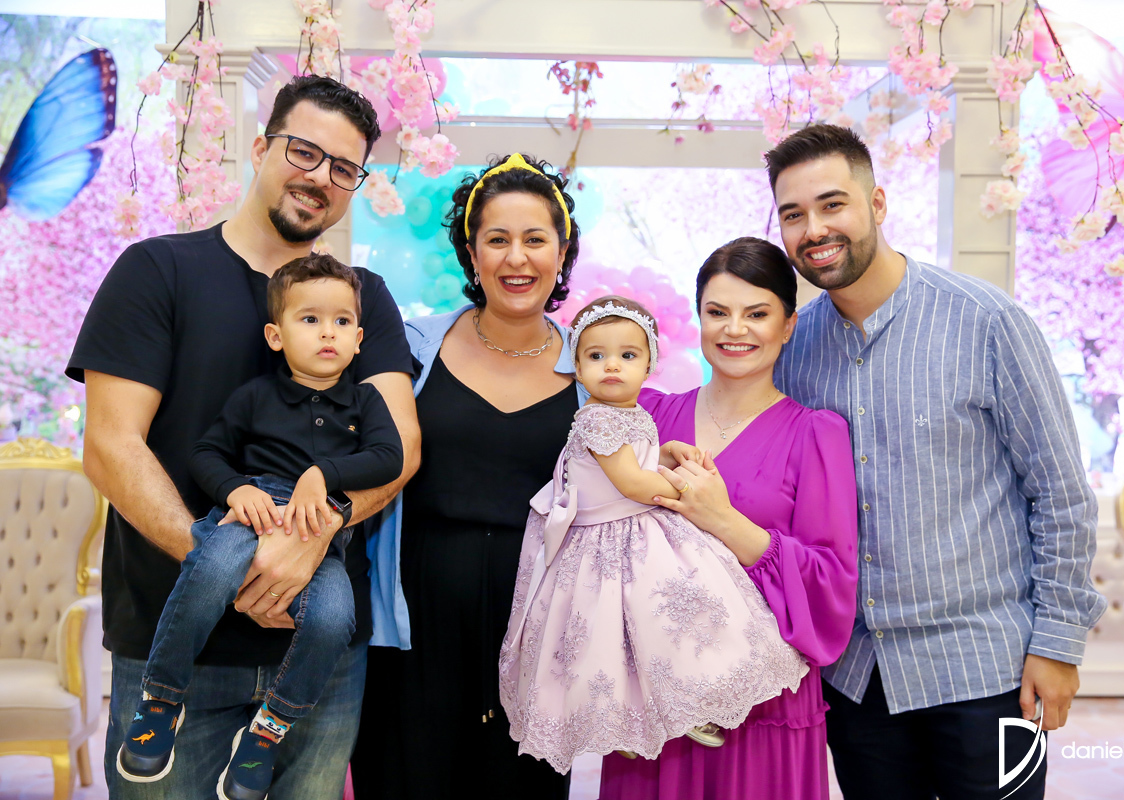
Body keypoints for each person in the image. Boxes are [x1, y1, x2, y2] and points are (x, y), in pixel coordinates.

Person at [68, 75, 420, 800]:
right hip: (173, 647)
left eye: (343, 168)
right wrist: (229, 567)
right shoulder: (157, 271)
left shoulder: (362, 299)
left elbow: (400, 449)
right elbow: (109, 445)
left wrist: (313, 537)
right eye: (303, 151)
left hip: (318, 658)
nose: (319, 177)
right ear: (260, 148)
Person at [766, 123, 1106, 799]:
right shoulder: (793, 350)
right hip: (856, 680)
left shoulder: (986, 322)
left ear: (877, 203)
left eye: (832, 204)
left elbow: (1060, 491)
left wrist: (1058, 642)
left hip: (984, 672)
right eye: (793, 214)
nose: (814, 229)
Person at [115, 255, 404, 800]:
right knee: (210, 569)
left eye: (342, 321)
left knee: (334, 619)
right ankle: (161, 699)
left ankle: (270, 727)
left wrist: (324, 475)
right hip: (253, 512)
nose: (328, 332)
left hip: (319, 534)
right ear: (276, 335)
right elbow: (207, 454)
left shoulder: (365, 401)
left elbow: (391, 457)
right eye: (310, 319)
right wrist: (234, 490)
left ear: (359, 339)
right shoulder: (255, 396)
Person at [351, 153, 581, 800]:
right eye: (497, 239)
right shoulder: (410, 347)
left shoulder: (592, 371)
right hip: (411, 631)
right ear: (471, 254)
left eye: (535, 239)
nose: (517, 258)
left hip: (535, 642)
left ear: (562, 253)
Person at [499, 295, 808, 774]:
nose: (612, 366)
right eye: (596, 355)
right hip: (609, 538)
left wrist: (663, 454)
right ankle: (628, 718)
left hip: (634, 527)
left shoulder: (630, 413)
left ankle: (684, 699)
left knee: (671, 616)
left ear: (649, 365)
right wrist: (687, 488)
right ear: (577, 367)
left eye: (627, 355)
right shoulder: (597, 418)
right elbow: (631, 482)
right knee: (622, 627)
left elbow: (635, 459)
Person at [599, 238, 859, 799]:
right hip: (655, 698)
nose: (734, 329)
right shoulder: (648, 417)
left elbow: (830, 586)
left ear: (788, 325)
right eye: (717, 312)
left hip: (762, 705)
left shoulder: (816, 435)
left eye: (757, 314)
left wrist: (722, 519)